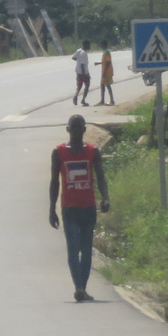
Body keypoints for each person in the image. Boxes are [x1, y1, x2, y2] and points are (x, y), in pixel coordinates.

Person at [49, 114, 111, 302]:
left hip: (88, 207)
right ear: (68, 130)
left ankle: (82, 287)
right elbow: (54, 182)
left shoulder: (93, 151)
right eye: (73, 128)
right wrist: (52, 208)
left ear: (84, 130)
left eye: (79, 128)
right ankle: (79, 287)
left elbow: (100, 176)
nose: (76, 132)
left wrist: (106, 197)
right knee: (73, 249)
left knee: (86, 249)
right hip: (69, 208)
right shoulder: (59, 152)